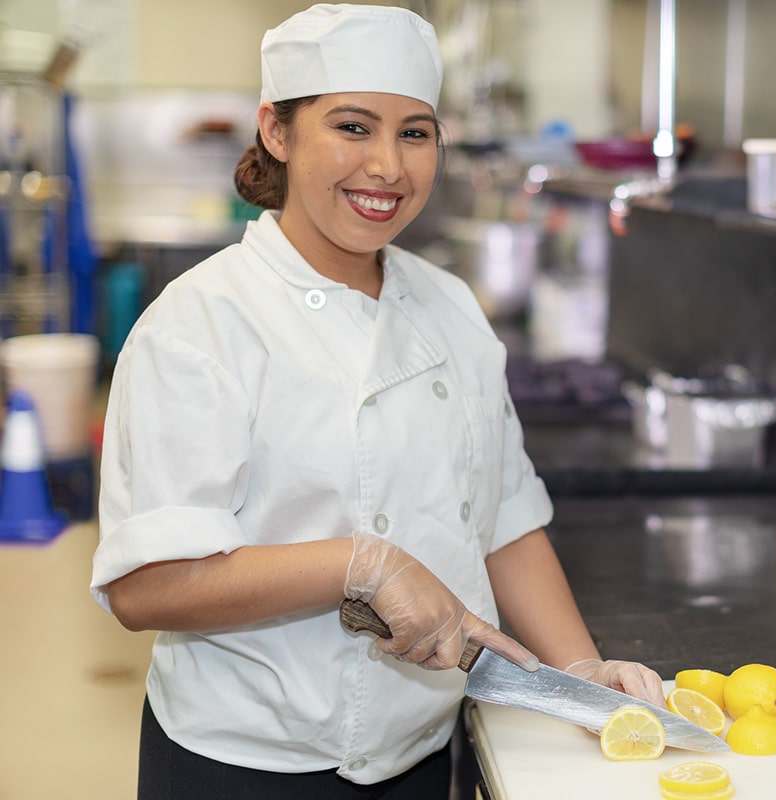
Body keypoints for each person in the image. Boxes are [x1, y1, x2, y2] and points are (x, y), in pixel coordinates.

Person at [89, 5, 665, 798]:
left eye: (416, 133)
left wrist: (579, 674)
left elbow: (500, 515)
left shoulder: (450, 305)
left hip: (422, 751)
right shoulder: (200, 325)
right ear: (278, 132)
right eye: (353, 127)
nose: (389, 167)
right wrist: (360, 564)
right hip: (246, 763)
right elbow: (143, 585)